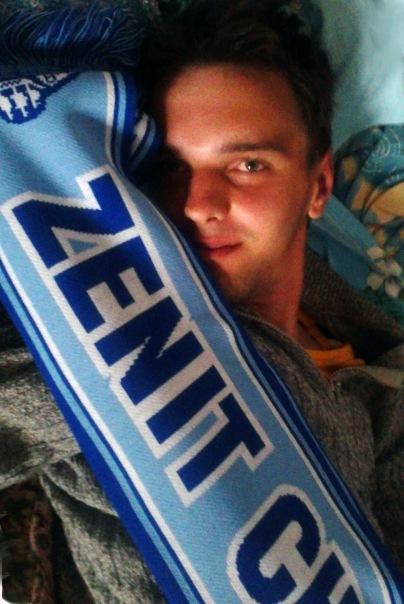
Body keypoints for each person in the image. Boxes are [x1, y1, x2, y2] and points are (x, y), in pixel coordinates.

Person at [0, 0, 403, 602]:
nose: (197, 205)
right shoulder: (79, 323)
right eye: (168, 168)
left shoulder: (384, 380)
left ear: (319, 186)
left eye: (248, 164)